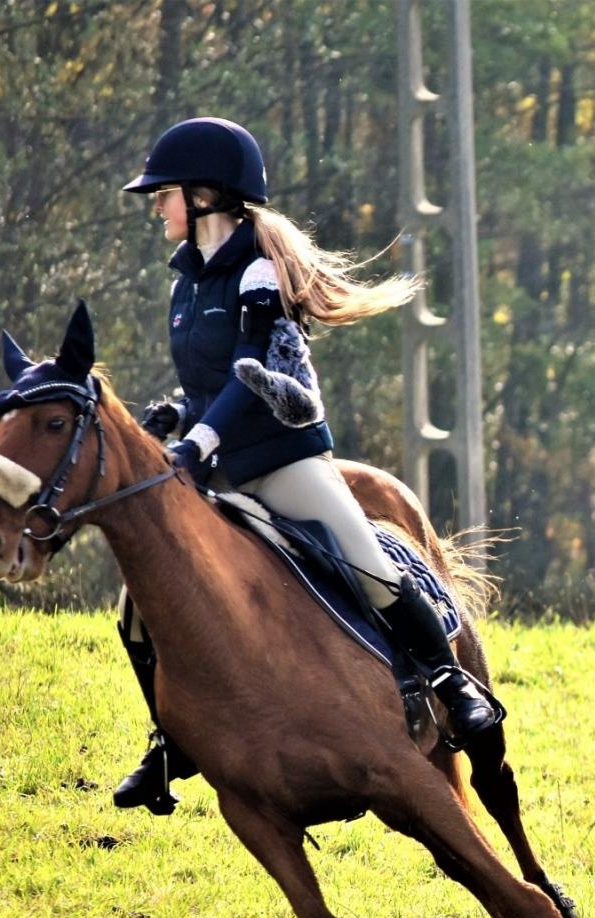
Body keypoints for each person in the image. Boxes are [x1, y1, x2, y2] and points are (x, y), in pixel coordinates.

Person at [112, 117, 502, 814]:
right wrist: (177, 416)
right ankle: (170, 741)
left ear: (204, 197)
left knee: (364, 558)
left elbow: (251, 367)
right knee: (135, 610)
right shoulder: (184, 286)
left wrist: (199, 442)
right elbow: (207, 381)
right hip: (217, 467)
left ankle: (451, 683)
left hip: (280, 458)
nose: (158, 207)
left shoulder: (257, 272)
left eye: (164, 195)